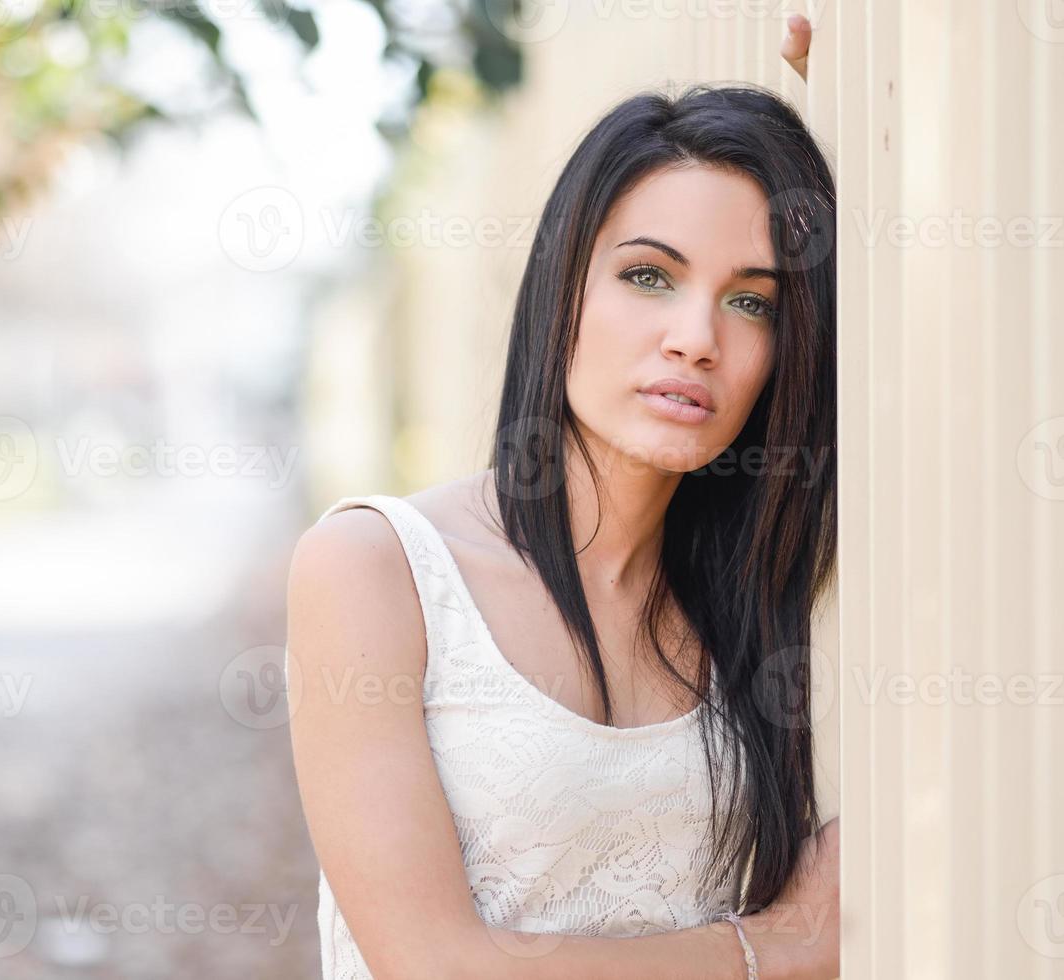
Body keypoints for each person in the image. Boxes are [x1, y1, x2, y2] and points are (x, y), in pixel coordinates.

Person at [285, 17, 839, 980]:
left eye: (751, 300)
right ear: (560, 296)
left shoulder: (764, 596)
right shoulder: (380, 572)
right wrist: (773, 950)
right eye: (646, 276)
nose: (694, 336)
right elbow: (431, 964)